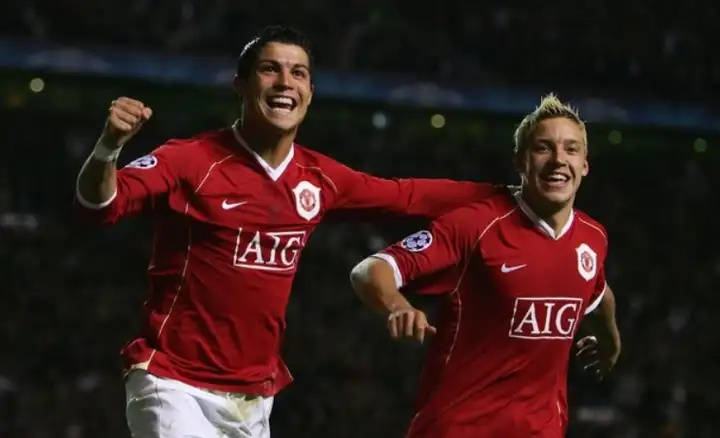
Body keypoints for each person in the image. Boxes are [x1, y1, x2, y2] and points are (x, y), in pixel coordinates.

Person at [75, 25, 499, 438]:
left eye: (298, 73)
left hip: (254, 397)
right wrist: (109, 146)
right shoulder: (191, 160)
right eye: (269, 69)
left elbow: (406, 196)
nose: (285, 82)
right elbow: (101, 206)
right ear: (240, 85)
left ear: (310, 92)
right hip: (174, 384)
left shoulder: (318, 177)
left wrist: (506, 195)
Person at [350, 94, 621, 437]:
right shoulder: (477, 224)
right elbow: (370, 269)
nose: (558, 160)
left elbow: (597, 292)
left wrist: (611, 342)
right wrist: (397, 306)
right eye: (543, 148)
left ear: (584, 164)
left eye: (571, 149)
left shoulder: (592, 236)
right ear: (520, 162)